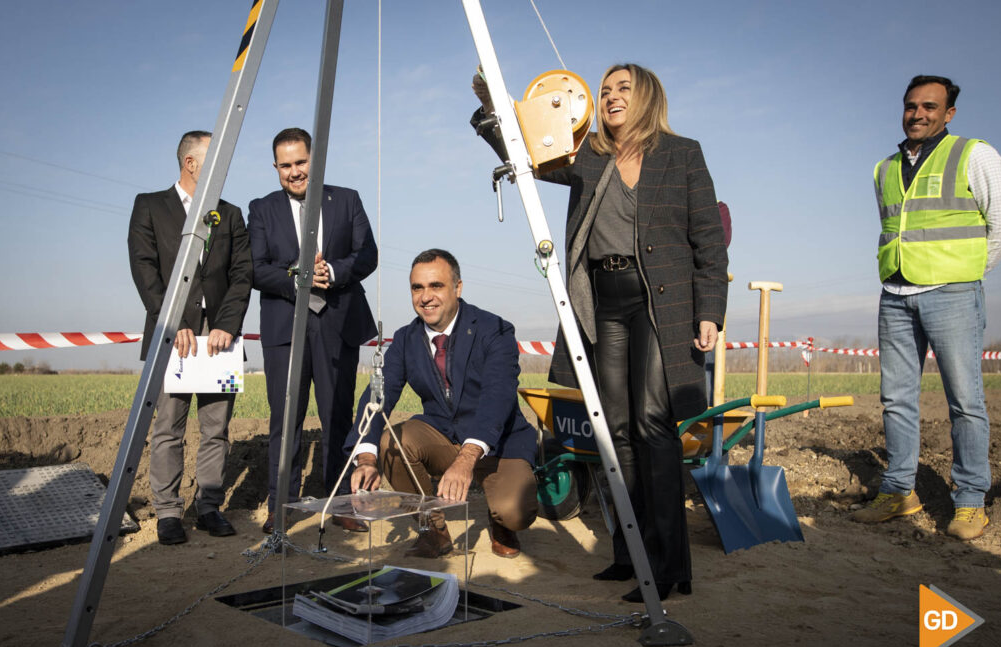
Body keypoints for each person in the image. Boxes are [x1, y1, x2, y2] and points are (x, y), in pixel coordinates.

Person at [472, 64, 728, 600]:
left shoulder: (684, 154)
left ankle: (667, 564)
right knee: (613, 430)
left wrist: (710, 310)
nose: (610, 96)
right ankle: (629, 553)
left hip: (660, 303)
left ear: (647, 97)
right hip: (603, 304)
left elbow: (707, 237)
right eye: (605, 89)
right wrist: (496, 108)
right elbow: (526, 154)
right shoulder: (586, 153)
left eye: (622, 89)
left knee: (652, 425)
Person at [852, 75, 1001, 540]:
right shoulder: (884, 168)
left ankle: (969, 502)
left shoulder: (973, 154)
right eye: (910, 105)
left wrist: (969, 273)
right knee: (896, 399)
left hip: (952, 293)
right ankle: (899, 491)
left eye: (929, 106)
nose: (918, 113)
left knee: (965, 401)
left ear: (948, 113)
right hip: (896, 295)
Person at [346, 249, 538, 559]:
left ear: (458, 288)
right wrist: (366, 456)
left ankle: (501, 522)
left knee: (515, 510)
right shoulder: (406, 339)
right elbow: (377, 396)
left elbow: (497, 395)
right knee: (392, 443)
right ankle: (432, 531)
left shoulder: (495, 330)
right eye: (417, 288)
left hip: (496, 442)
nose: (425, 297)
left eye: (436, 286)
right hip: (444, 437)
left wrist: (467, 458)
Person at [248, 127, 378, 535]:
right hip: (286, 326)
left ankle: (340, 505)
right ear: (275, 168)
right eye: (285, 166)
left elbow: (368, 254)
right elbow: (255, 267)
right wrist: (299, 277)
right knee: (285, 419)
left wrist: (334, 271)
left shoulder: (348, 199)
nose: (294, 172)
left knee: (337, 416)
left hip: (337, 322)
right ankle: (280, 507)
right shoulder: (262, 208)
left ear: (315, 158)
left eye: (300, 162)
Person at [127, 130, 253, 545]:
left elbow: (241, 275)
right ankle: (167, 512)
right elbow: (145, 270)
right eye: (216, 156)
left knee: (216, 427)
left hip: (218, 339)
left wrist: (227, 326)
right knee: (169, 427)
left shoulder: (231, 214)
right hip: (172, 336)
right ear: (191, 163)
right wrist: (173, 320)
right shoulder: (149, 206)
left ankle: (209, 506)